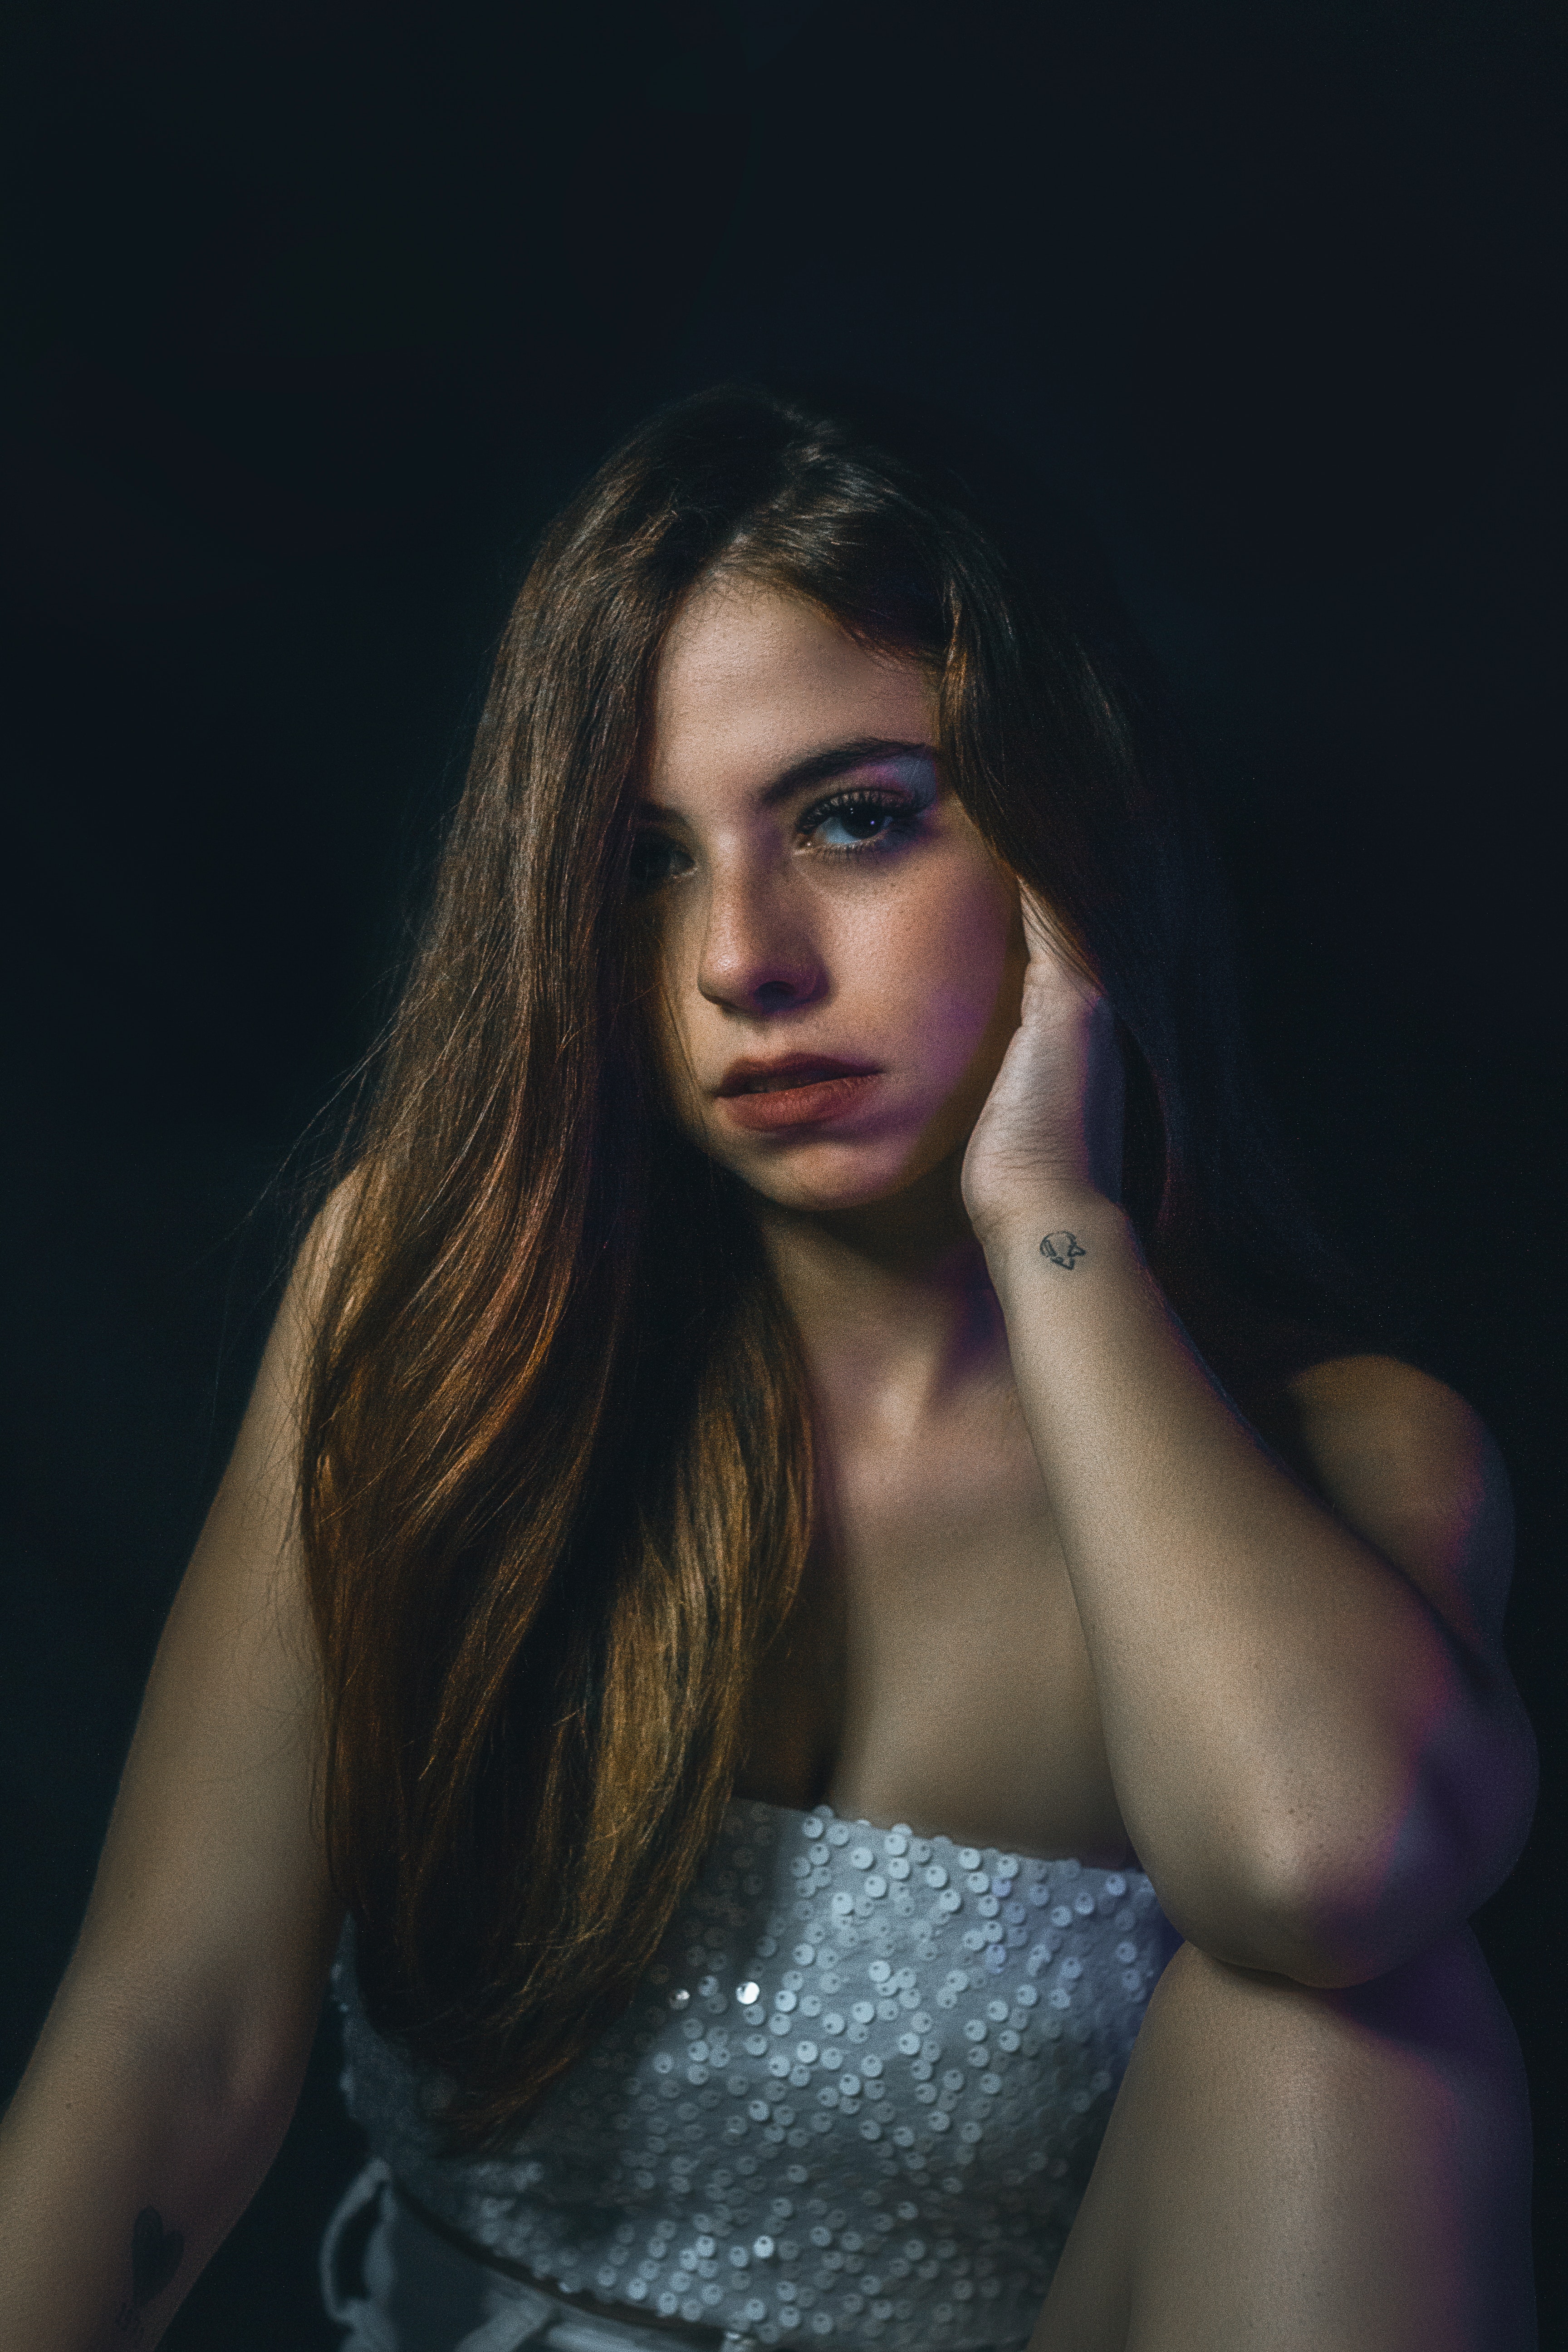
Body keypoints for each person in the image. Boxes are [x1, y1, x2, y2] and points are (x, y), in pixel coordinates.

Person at [0, 384, 1538, 2352]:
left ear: (1067, 831)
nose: (741, 957)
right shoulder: (435, 1296)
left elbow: (1325, 1870)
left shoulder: (1355, 1456)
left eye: (853, 820)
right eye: (647, 861)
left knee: (1349, 2034)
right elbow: (175, 2033)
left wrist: (1052, 1213)